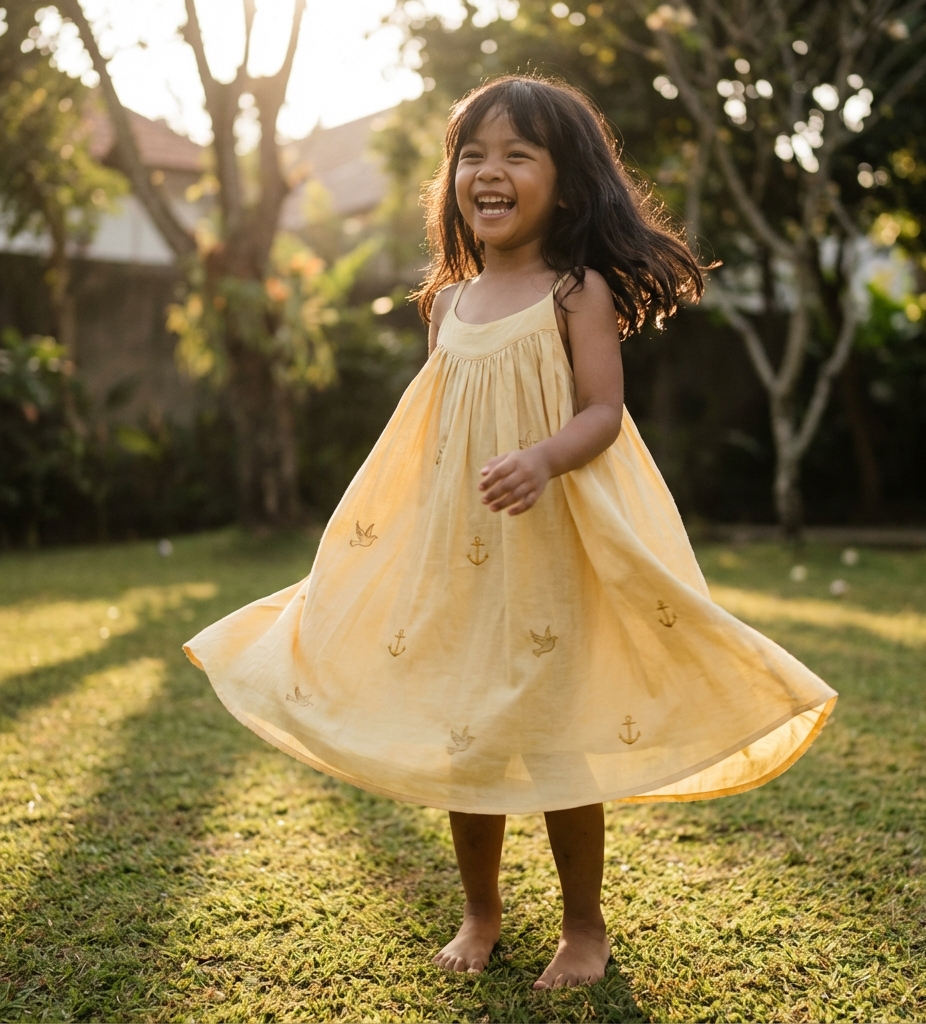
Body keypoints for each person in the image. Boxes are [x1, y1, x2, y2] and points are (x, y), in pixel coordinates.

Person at [184, 75, 837, 990]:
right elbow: (434, 433)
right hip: (463, 553)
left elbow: (602, 411)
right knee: (469, 737)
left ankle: (583, 926)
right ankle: (481, 913)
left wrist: (540, 458)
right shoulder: (447, 305)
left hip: (551, 547)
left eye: (517, 155)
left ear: (565, 186)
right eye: (472, 156)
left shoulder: (577, 292)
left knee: (558, 736)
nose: (488, 172)